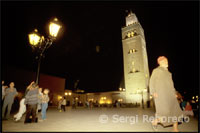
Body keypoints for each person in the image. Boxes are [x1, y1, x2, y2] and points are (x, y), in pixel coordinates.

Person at [149, 56, 184, 132]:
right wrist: (153, 92)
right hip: (161, 94)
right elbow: (151, 81)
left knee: (175, 111)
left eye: (167, 61)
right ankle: (155, 121)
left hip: (170, 95)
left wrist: (174, 93)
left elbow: (172, 85)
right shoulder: (157, 70)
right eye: (165, 61)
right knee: (165, 112)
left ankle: (175, 129)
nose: (167, 62)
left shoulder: (168, 73)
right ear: (160, 62)